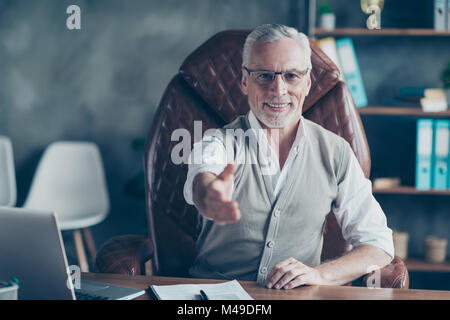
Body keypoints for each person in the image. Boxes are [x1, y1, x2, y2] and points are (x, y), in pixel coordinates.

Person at [183, 24, 394, 289]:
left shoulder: (336, 152)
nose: (279, 89)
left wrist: (320, 275)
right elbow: (202, 180)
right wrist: (209, 195)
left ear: (307, 82)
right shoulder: (218, 142)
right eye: (264, 76)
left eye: (291, 76)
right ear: (245, 81)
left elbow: (378, 244)